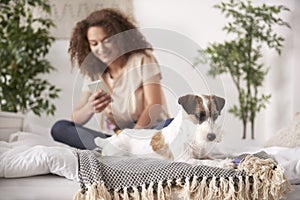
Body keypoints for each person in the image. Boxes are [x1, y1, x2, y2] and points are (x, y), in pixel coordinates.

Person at [51, 8, 171, 150]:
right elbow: (74, 119)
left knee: (172, 124)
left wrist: (131, 138)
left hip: (148, 132)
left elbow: (155, 105)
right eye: (94, 43)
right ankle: (116, 150)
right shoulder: (94, 73)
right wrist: (90, 108)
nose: (101, 48)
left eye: (107, 40)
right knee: (60, 128)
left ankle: (119, 151)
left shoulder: (142, 59)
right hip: (115, 139)